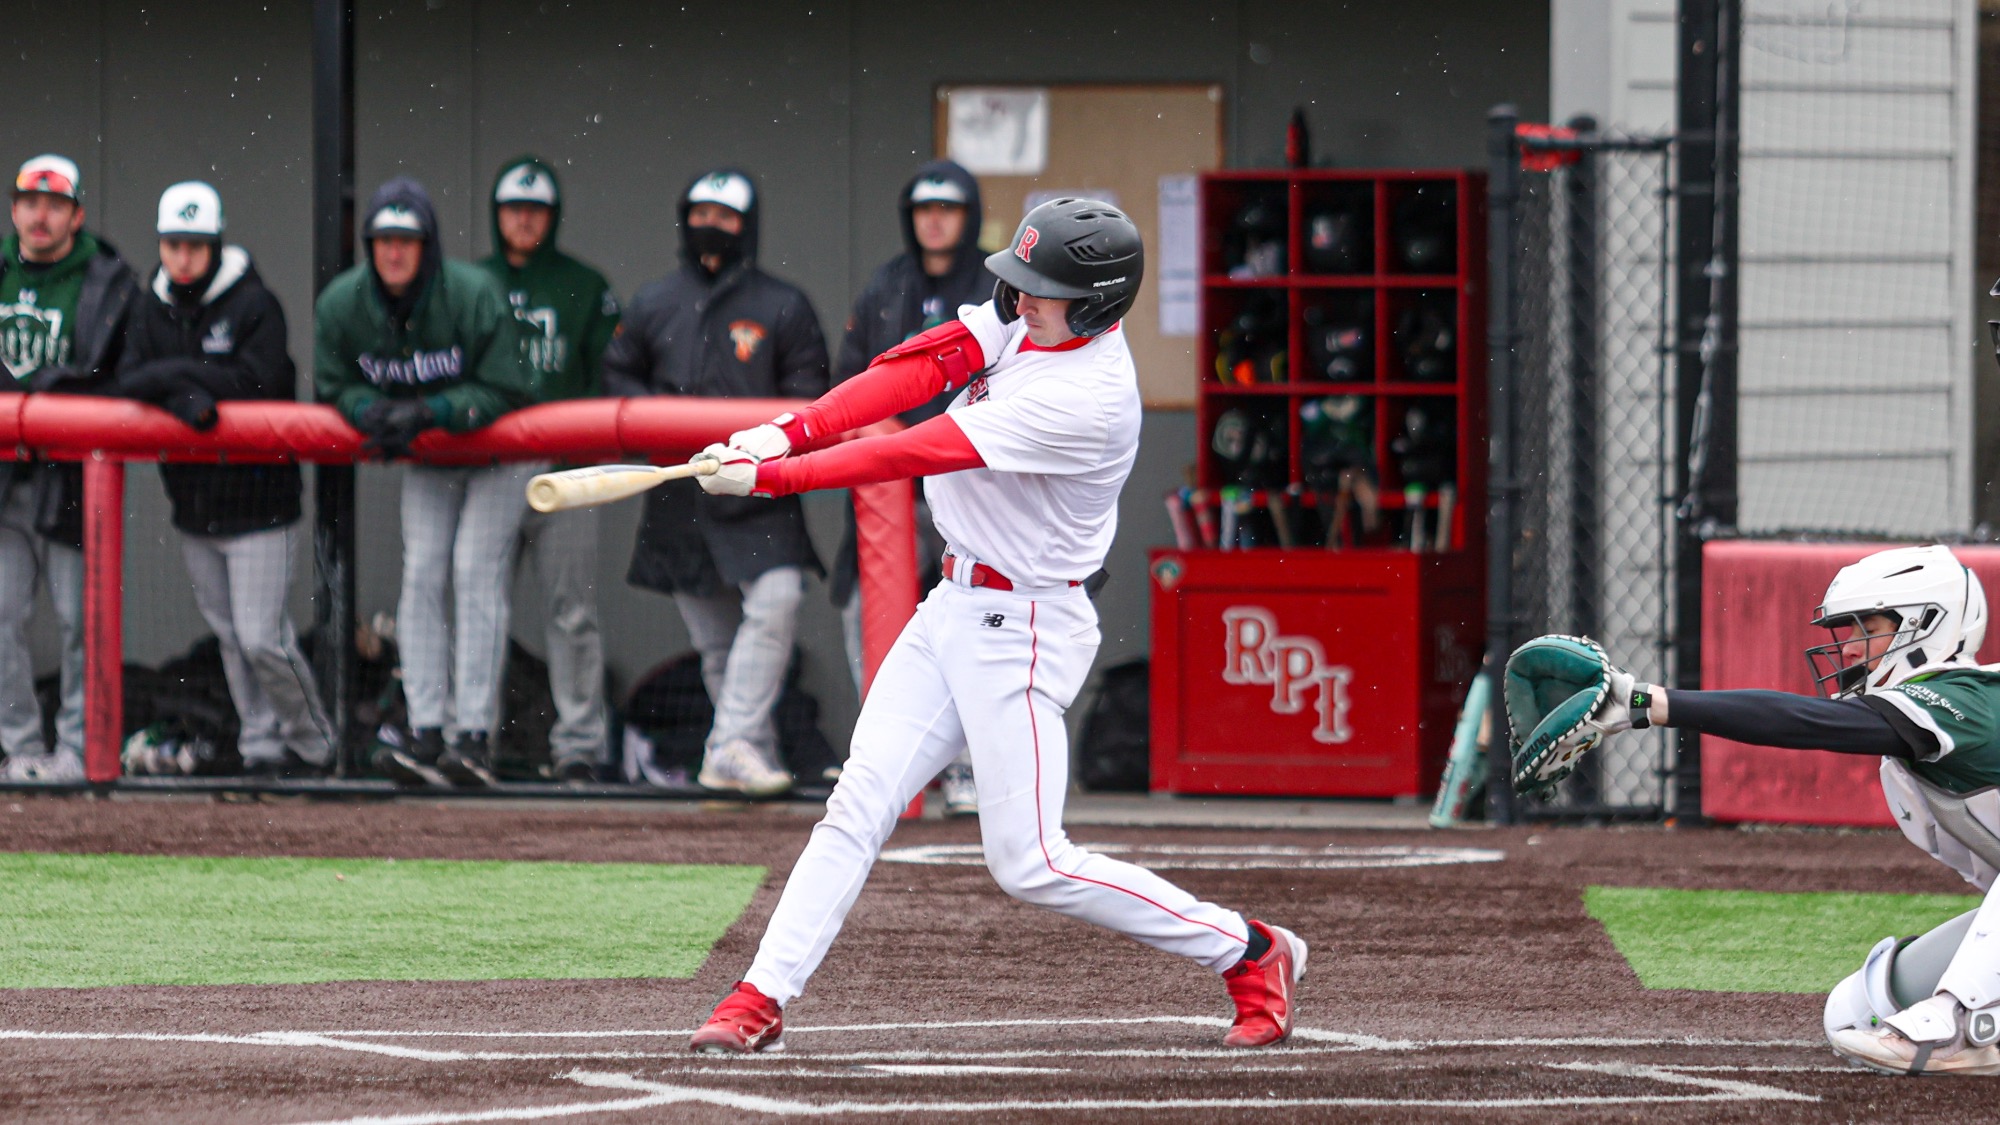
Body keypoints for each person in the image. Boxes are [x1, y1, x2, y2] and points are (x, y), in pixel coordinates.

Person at [682, 198, 1307, 1053]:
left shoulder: (1089, 394)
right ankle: (760, 996)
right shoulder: (1025, 319)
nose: (1019, 300)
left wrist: (779, 477)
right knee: (857, 802)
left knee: (1033, 863)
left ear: (1095, 302)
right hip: (953, 603)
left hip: (1026, 623)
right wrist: (788, 429)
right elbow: (921, 363)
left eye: (1041, 289)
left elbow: (922, 446)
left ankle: (1250, 949)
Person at [1553, 544, 2000, 1076]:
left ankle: (1960, 1031)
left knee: (1926, 1018)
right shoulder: (1928, 728)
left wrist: (1647, 702)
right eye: (1848, 631)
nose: (1851, 649)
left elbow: (1806, 722)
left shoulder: (1969, 700)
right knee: (1856, 1010)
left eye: (1868, 628)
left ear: (1930, 625)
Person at [602, 168, 829, 797]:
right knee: (717, 645)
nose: (711, 226)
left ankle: (728, 745)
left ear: (747, 226)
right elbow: (618, 376)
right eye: (700, 213)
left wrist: (757, 449)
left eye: (726, 217)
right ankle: (746, 752)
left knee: (777, 600)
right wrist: (657, 422)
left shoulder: (783, 303)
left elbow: (810, 397)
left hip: (758, 488)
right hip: (680, 492)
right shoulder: (652, 301)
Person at [315, 176, 535, 788]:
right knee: (421, 575)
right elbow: (332, 381)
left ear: (427, 246)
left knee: (472, 572)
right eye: (383, 240)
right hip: (431, 459)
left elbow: (508, 388)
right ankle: (426, 727)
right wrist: (367, 411)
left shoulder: (471, 294)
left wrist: (432, 411)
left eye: (406, 241)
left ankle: (474, 737)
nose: (394, 252)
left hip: (497, 455)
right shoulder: (343, 302)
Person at [116, 181, 333, 778]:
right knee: (232, 639)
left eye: (195, 245)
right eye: (173, 244)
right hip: (193, 502)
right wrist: (186, 388)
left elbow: (262, 383)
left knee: (264, 637)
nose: (183, 257)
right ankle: (261, 747)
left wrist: (180, 377)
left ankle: (315, 744)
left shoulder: (254, 304)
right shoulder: (147, 304)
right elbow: (124, 380)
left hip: (261, 503)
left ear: (216, 245)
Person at [833, 159, 992, 815]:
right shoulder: (884, 286)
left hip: (970, 483)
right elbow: (850, 380)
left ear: (968, 215)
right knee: (863, 615)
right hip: (892, 487)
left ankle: (962, 767)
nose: (934, 219)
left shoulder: (995, 284)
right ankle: (893, 765)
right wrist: (887, 428)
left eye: (948, 208)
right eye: (924, 207)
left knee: (967, 622)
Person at [479, 156, 620, 783]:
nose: (524, 220)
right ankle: (471, 738)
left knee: (572, 610)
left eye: (535, 210)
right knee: (481, 606)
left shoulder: (585, 285)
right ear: (496, 215)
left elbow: (609, 377)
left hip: (566, 472)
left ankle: (580, 745)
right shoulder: (469, 281)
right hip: (487, 471)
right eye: (513, 208)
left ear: (553, 216)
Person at [0, 154, 137, 784]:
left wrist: (53, 393)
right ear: (14, 210)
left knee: (81, 620)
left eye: (55, 204)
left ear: (77, 215)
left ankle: (82, 751)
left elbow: (118, 377)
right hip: (4, 480)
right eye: (30, 202)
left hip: (72, 480)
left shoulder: (107, 279)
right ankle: (21, 748)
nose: (40, 215)